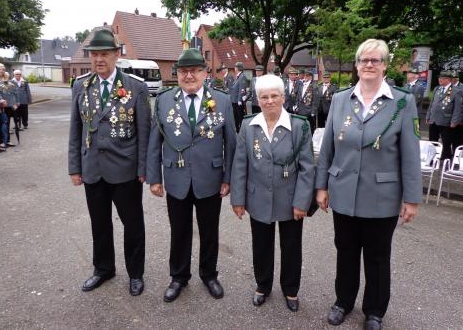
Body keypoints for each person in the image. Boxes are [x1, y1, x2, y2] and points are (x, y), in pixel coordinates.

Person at [315, 39, 421, 330]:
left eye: (376, 60)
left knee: (377, 256)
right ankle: (343, 302)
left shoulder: (402, 101)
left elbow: (411, 155)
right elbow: (327, 150)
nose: (369, 65)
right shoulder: (340, 99)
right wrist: (321, 186)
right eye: (364, 60)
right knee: (345, 251)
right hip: (344, 191)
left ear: (385, 65)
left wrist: (411, 199)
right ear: (357, 65)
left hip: (382, 195)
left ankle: (374, 311)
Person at [147, 48, 236, 303]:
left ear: (205, 73)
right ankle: (178, 277)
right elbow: (155, 141)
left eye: (195, 70)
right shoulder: (164, 100)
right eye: (184, 71)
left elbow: (231, 143)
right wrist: (155, 178)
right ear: (177, 74)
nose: (189, 76)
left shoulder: (222, 100)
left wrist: (228, 178)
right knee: (179, 230)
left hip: (210, 178)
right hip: (176, 178)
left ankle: (209, 275)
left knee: (210, 231)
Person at [68, 29, 151, 296]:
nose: (99, 59)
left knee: (133, 224)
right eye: (94, 55)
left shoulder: (135, 87)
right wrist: (75, 167)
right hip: (93, 168)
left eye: (105, 54)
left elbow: (144, 133)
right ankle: (103, 269)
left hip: (125, 170)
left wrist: (142, 168)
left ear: (117, 55)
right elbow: (75, 130)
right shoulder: (81, 85)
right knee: (99, 223)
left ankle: (135, 274)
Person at [230, 74, 314, 312]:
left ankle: (290, 289)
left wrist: (302, 202)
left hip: (290, 199)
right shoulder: (248, 125)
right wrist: (238, 199)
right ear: (258, 99)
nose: (269, 101)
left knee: (291, 246)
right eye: (264, 97)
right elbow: (240, 164)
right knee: (261, 245)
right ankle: (263, 285)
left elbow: (307, 168)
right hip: (257, 197)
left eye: (274, 96)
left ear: (283, 97)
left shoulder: (299, 125)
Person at [425, 70, 463, 160]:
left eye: (442, 78)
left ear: (448, 79)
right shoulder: (437, 89)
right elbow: (432, 104)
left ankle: (446, 158)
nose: (440, 80)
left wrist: (454, 121)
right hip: (434, 119)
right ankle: (432, 157)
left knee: (446, 142)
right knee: (432, 140)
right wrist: (428, 116)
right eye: (439, 78)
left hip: (446, 120)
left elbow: (457, 108)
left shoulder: (456, 91)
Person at [0, 65, 18, 148]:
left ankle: (7, 140)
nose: (1, 71)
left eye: (3, 69)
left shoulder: (7, 81)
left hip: (9, 105)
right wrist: (1, 101)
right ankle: (1, 141)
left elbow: (12, 92)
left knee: (6, 124)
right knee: (0, 124)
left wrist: (14, 103)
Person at [295, 70, 319, 134]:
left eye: (307, 76)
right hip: (300, 110)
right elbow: (298, 96)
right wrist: (296, 105)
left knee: (310, 127)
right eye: (304, 75)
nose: (305, 77)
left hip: (309, 111)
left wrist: (313, 111)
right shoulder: (301, 85)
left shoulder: (314, 86)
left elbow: (316, 100)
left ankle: (310, 140)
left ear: (311, 77)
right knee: (301, 126)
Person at [451, 70, 463, 150]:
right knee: (449, 138)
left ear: (456, 79)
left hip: (459, 119)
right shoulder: (449, 87)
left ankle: (456, 154)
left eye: (451, 78)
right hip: (449, 117)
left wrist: (461, 120)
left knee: (457, 139)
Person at [229, 61, 249, 132]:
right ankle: (237, 129)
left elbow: (242, 89)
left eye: (235, 67)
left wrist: (240, 100)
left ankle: (241, 131)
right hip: (234, 100)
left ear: (238, 68)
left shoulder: (242, 76)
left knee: (240, 117)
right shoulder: (238, 76)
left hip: (238, 101)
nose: (234, 68)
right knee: (236, 117)